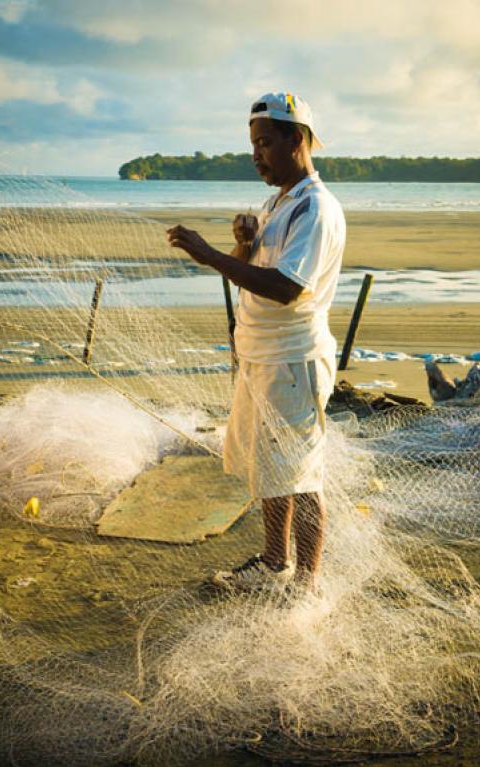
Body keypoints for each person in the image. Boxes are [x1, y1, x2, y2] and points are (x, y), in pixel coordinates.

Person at [167, 92, 346, 592]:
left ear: (297, 139)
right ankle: (273, 564)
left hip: (293, 361)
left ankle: (306, 585)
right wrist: (244, 243)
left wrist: (209, 256)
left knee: (302, 475)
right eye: (253, 145)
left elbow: (287, 289)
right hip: (263, 359)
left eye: (265, 143)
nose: (256, 155)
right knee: (273, 470)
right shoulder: (278, 203)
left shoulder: (316, 208)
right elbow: (256, 271)